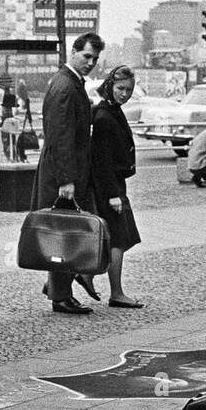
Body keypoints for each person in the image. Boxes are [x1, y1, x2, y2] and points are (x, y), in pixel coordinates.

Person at [32, 31, 105, 315]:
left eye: (95, 59)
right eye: (87, 56)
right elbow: (60, 136)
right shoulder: (65, 86)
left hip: (67, 171)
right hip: (63, 174)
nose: (91, 63)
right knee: (65, 233)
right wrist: (66, 181)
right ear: (74, 51)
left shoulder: (70, 82)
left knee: (66, 232)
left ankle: (57, 286)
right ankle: (60, 294)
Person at [91, 66, 143, 309]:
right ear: (110, 85)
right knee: (118, 239)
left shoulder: (111, 110)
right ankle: (116, 292)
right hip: (109, 186)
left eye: (129, 90)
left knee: (115, 238)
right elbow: (102, 160)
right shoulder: (104, 116)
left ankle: (75, 277)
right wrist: (112, 195)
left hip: (112, 184)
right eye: (121, 88)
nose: (125, 94)